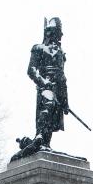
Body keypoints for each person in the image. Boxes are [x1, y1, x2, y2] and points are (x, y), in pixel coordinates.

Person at [27, 17, 68, 149]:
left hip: (58, 89)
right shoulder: (38, 48)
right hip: (45, 88)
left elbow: (62, 77)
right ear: (49, 32)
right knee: (46, 109)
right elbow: (31, 70)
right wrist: (44, 83)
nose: (57, 37)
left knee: (53, 119)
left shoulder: (61, 53)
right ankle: (39, 137)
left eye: (58, 34)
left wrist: (65, 100)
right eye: (55, 33)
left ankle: (45, 144)